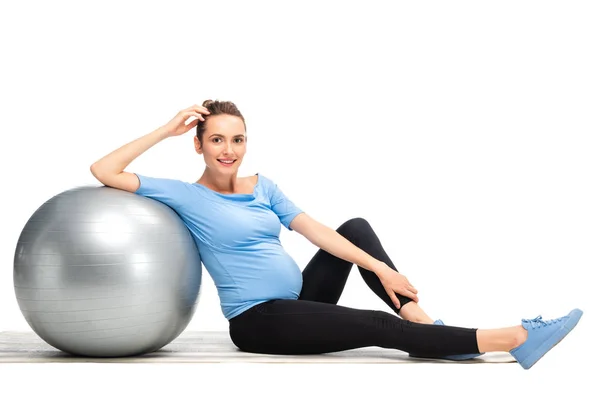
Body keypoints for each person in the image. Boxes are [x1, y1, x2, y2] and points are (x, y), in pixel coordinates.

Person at [90, 100, 583, 369]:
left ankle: (426, 325)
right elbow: (103, 169)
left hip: (302, 299)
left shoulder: (263, 186)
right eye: (216, 139)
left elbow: (320, 233)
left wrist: (382, 267)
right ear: (197, 144)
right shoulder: (183, 194)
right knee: (376, 326)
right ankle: (513, 338)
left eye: (237, 138)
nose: (228, 149)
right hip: (261, 321)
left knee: (355, 229)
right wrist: (165, 128)